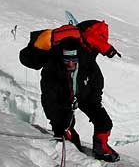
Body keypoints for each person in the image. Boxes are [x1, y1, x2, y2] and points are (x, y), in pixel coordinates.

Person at [19, 19, 121, 163]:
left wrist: (94, 106)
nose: (71, 64)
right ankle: (81, 152)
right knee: (67, 132)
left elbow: (94, 82)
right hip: (58, 98)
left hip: (76, 95)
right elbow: (51, 94)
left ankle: (98, 149)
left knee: (102, 123)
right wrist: (60, 120)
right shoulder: (64, 54)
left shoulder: (87, 58)